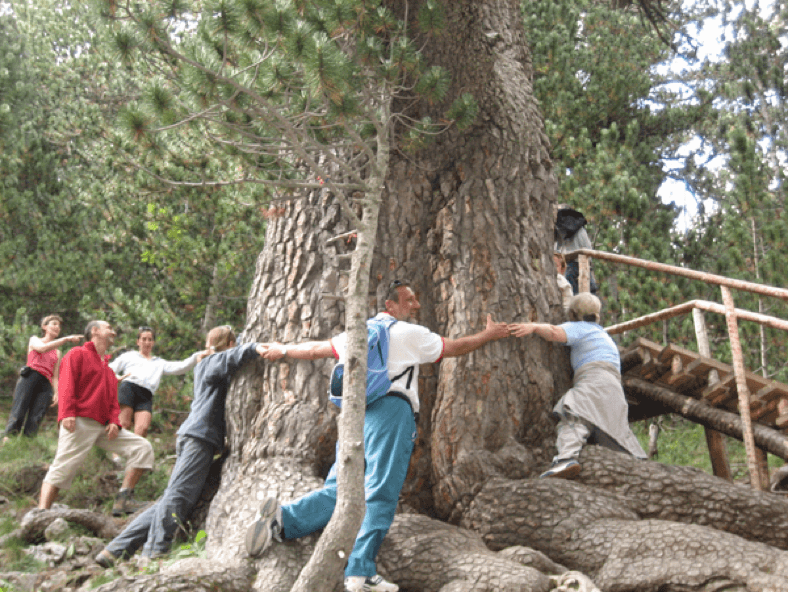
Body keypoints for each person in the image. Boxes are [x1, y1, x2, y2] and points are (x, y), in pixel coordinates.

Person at [245, 280, 509, 592]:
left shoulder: (354, 334)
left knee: (342, 488)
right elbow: (454, 347)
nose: (415, 306)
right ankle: (360, 573)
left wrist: (283, 350)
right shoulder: (408, 333)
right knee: (380, 490)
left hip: (356, 415)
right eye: (408, 300)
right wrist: (488, 335)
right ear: (390, 306)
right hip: (392, 411)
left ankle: (283, 519)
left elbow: (316, 349)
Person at [95, 326, 266, 567]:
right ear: (228, 344)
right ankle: (154, 553)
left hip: (199, 436)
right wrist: (256, 347)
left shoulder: (210, 360)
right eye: (234, 342)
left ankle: (115, 550)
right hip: (199, 436)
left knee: (170, 498)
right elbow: (231, 356)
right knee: (179, 496)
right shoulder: (212, 361)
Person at [509, 293, 646, 479]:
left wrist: (533, 326)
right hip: (613, 385)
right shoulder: (602, 335)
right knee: (613, 432)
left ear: (573, 314)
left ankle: (565, 459)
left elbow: (554, 333)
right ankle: (639, 462)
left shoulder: (581, 328)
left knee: (573, 413)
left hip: (594, 378)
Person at [38, 320, 155, 516]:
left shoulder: (107, 369)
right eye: (108, 327)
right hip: (79, 422)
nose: (113, 331)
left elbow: (112, 401)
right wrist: (66, 413)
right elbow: (66, 383)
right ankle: (41, 514)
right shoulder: (77, 354)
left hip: (103, 427)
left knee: (142, 448)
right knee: (63, 466)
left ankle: (123, 501)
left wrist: (115, 422)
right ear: (95, 331)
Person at [109, 326, 206, 438]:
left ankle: (135, 454)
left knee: (142, 428)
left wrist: (196, 356)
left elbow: (181, 366)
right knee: (123, 424)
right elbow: (110, 368)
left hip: (146, 394)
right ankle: (116, 455)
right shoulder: (129, 356)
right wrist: (117, 377)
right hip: (129, 388)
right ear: (138, 341)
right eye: (144, 339)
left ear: (153, 342)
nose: (147, 342)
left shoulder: (159, 363)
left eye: (150, 339)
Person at [3, 314, 82, 440]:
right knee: (19, 411)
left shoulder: (58, 352)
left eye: (59, 326)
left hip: (45, 384)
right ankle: (8, 441)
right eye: (54, 324)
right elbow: (42, 348)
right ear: (44, 327)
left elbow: (55, 376)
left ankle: (26, 444)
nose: (57, 327)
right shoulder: (34, 339)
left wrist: (56, 392)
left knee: (36, 416)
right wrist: (66, 339)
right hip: (30, 377)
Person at [554, 205, 598, 295]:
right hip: (580, 267)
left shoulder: (561, 226)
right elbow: (588, 248)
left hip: (572, 266)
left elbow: (556, 249)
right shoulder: (577, 227)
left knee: (573, 297)